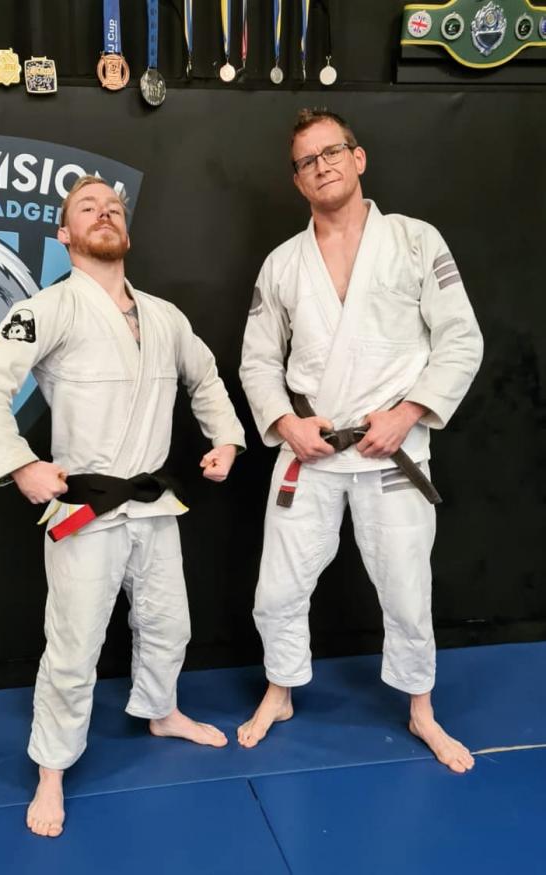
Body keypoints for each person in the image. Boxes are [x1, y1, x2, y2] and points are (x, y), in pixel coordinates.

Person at [0, 176, 245, 837]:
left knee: (169, 625)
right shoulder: (48, 308)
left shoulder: (165, 316)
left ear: (127, 232)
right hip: (84, 508)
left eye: (113, 207)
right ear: (65, 234)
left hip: (155, 503)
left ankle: (161, 710)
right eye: (88, 207)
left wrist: (225, 437)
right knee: (74, 645)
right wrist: (20, 463)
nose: (105, 213)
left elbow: (205, 378)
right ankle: (52, 768)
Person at [238, 109, 483, 773]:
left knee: (406, 591)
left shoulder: (414, 241)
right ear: (297, 180)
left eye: (331, 152)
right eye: (307, 161)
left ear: (358, 157)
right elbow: (258, 360)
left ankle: (421, 708)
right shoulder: (282, 264)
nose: (322, 166)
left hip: (392, 450)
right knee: (277, 589)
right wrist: (285, 424)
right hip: (309, 451)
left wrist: (410, 412)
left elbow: (461, 339)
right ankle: (280, 689)